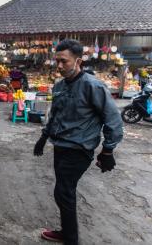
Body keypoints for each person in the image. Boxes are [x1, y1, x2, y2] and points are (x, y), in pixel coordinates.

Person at [33, 39, 123, 245]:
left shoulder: (93, 86)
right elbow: (54, 114)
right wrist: (44, 136)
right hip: (61, 147)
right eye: (57, 61)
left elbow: (113, 120)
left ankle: (70, 238)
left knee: (63, 191)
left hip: (79, 149)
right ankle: (67, 232)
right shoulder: (59, 86)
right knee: (63, 191)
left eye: (64, 61)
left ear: (78, 61)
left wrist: (107, 150)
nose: (59, 66)